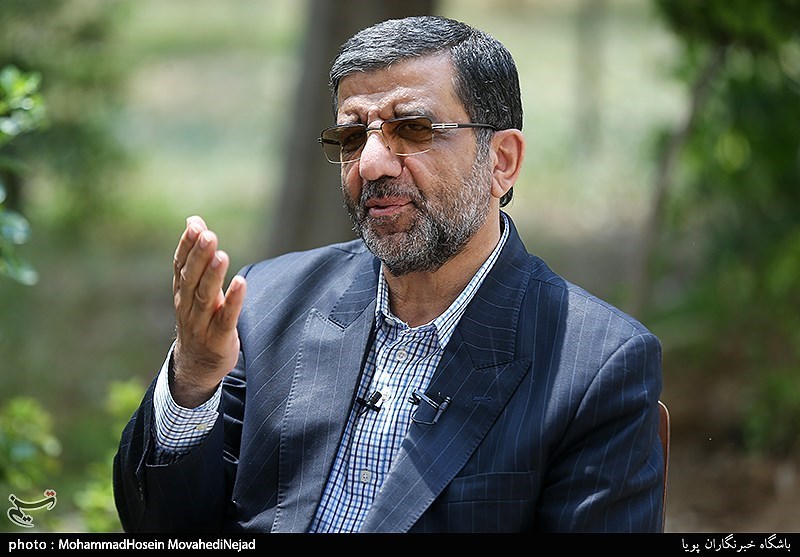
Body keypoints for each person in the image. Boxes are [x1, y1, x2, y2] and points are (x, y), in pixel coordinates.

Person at [113, 15, 664, 533]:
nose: (372, 163)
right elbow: (161, 526)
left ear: (501, 161)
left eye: (413, 128)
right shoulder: (267, 303)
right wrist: (194, 380)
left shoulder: (594, 365)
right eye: (353, 137)